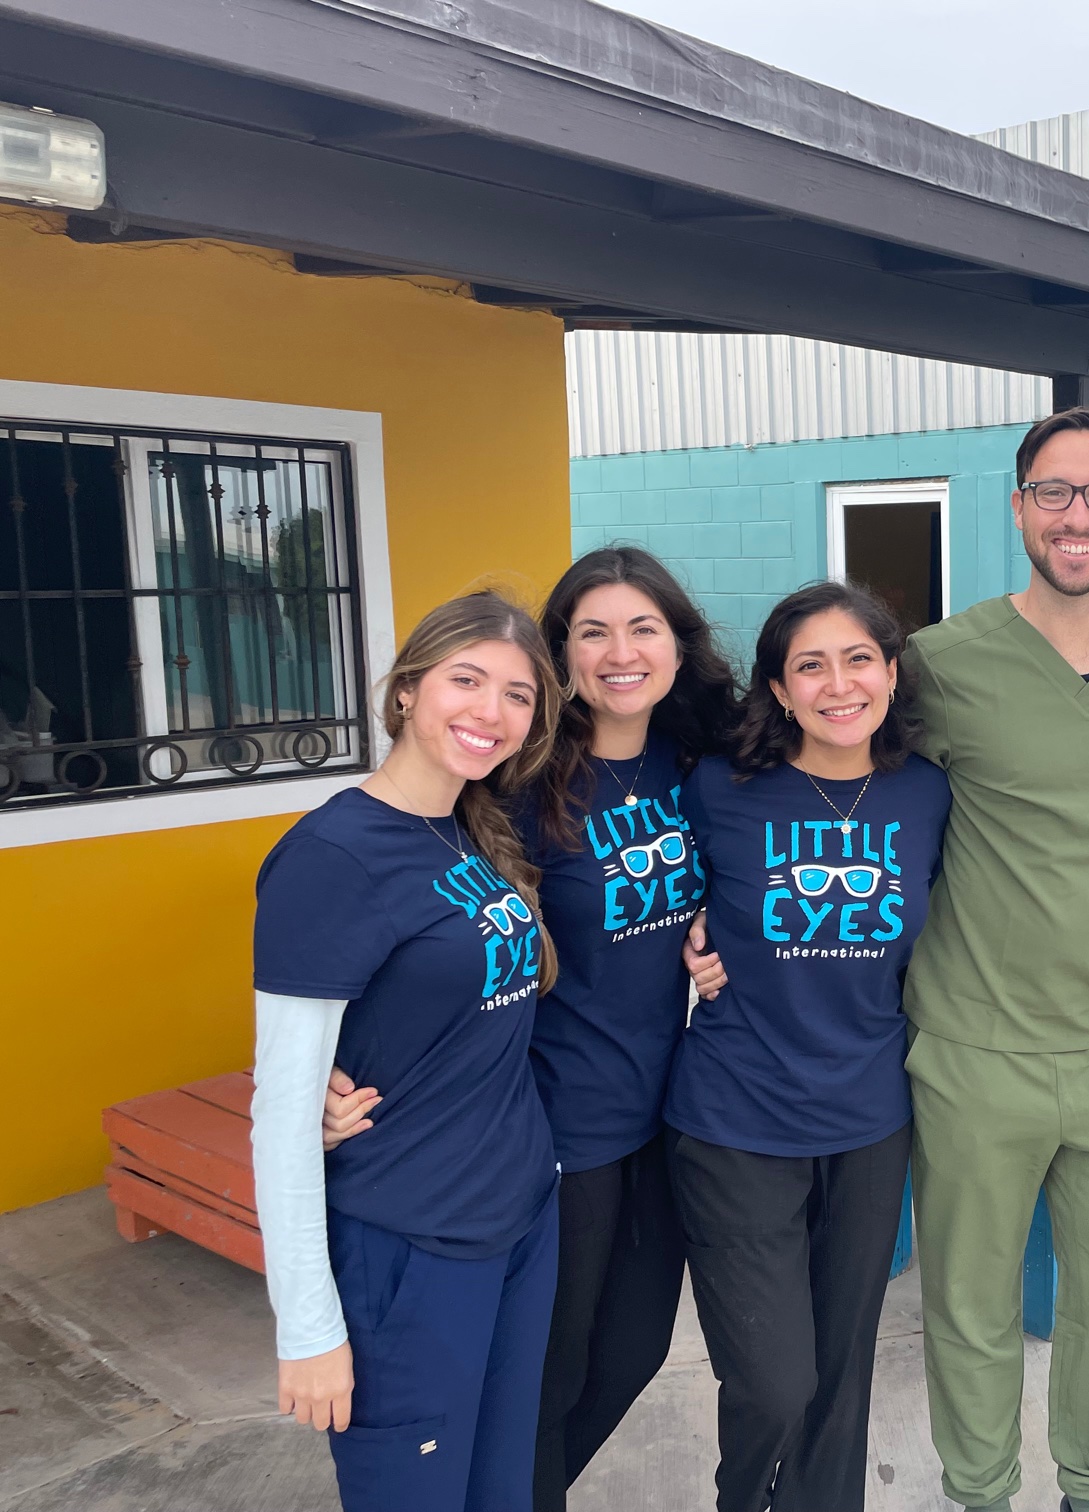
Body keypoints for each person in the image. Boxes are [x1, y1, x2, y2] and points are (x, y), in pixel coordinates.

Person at [320, 547, 738, 1509]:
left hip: (666, 1111)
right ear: (561, 657)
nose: (619, 651)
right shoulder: (515, 779)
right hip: (552, 1124)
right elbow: (401, 914)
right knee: (544, 1380)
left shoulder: (700, 762)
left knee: (629, 1356)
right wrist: (313, 1066)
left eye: (643, 628)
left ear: (679, 646)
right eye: (591, 631)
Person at [903, 406, 1089, 1512]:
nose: (1078, 516)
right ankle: (979, 1494)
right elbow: (841, 791)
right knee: (969, 1307)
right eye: (1054, 492)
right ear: (1017, 506)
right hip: (973, 1049)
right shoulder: (938, 662)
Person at [250, 591, 564, 1512]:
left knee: (502, 1491)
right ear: (406, 693)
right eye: (465, 680)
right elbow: (282, 1109)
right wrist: (308, 1328)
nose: (490, 712)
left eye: (517, 695)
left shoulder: (469, 826)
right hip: (409, 1245)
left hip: (516, 1221)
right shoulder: (333, 855)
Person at [666, 580, 950, 1512]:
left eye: (858, 658)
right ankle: (741, 1499)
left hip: (871, 1117)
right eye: (810, 666)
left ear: (891, 672)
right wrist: (687, 934)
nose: (838, 683)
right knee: (774, 1377)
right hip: (734, 1117)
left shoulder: (926, 794)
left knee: (844, 1364)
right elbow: (650, 893)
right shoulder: (719, 786)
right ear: (779, 691)